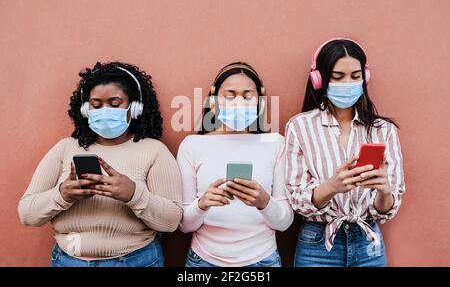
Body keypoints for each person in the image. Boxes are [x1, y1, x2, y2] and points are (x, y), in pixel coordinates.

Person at [18, 61, 182, 267]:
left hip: (134, 261)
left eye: (115, 104)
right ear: (86, 110)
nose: (105, 111)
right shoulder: (65, 148)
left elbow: (172, 222)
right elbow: (27, 214)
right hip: (68, 262)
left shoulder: (154, 151)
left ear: (135, 107)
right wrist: (62, 195)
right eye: (96, 105)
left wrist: (133, 194)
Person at [285, 38, 405, 267]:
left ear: (364, 78)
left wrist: (384, 191)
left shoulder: (384, 131)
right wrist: (331, 187)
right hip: (317, 245)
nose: (347, 83)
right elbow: (295, 198)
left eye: (355, 76)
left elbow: (387, 208)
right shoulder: (299, 127)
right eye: (337, 76)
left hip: (368, 243)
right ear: (319, 79)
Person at [177, 62, 293, 267]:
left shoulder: (275, 143)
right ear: (214, 100)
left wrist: (264, 202)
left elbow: (284, 223)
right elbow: (185, 225)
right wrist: (202, 204)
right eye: (229, 95)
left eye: (248, 96)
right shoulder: (192, 145)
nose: (239, 102)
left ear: (260, 101)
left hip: (262, 260)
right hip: (203, 261)